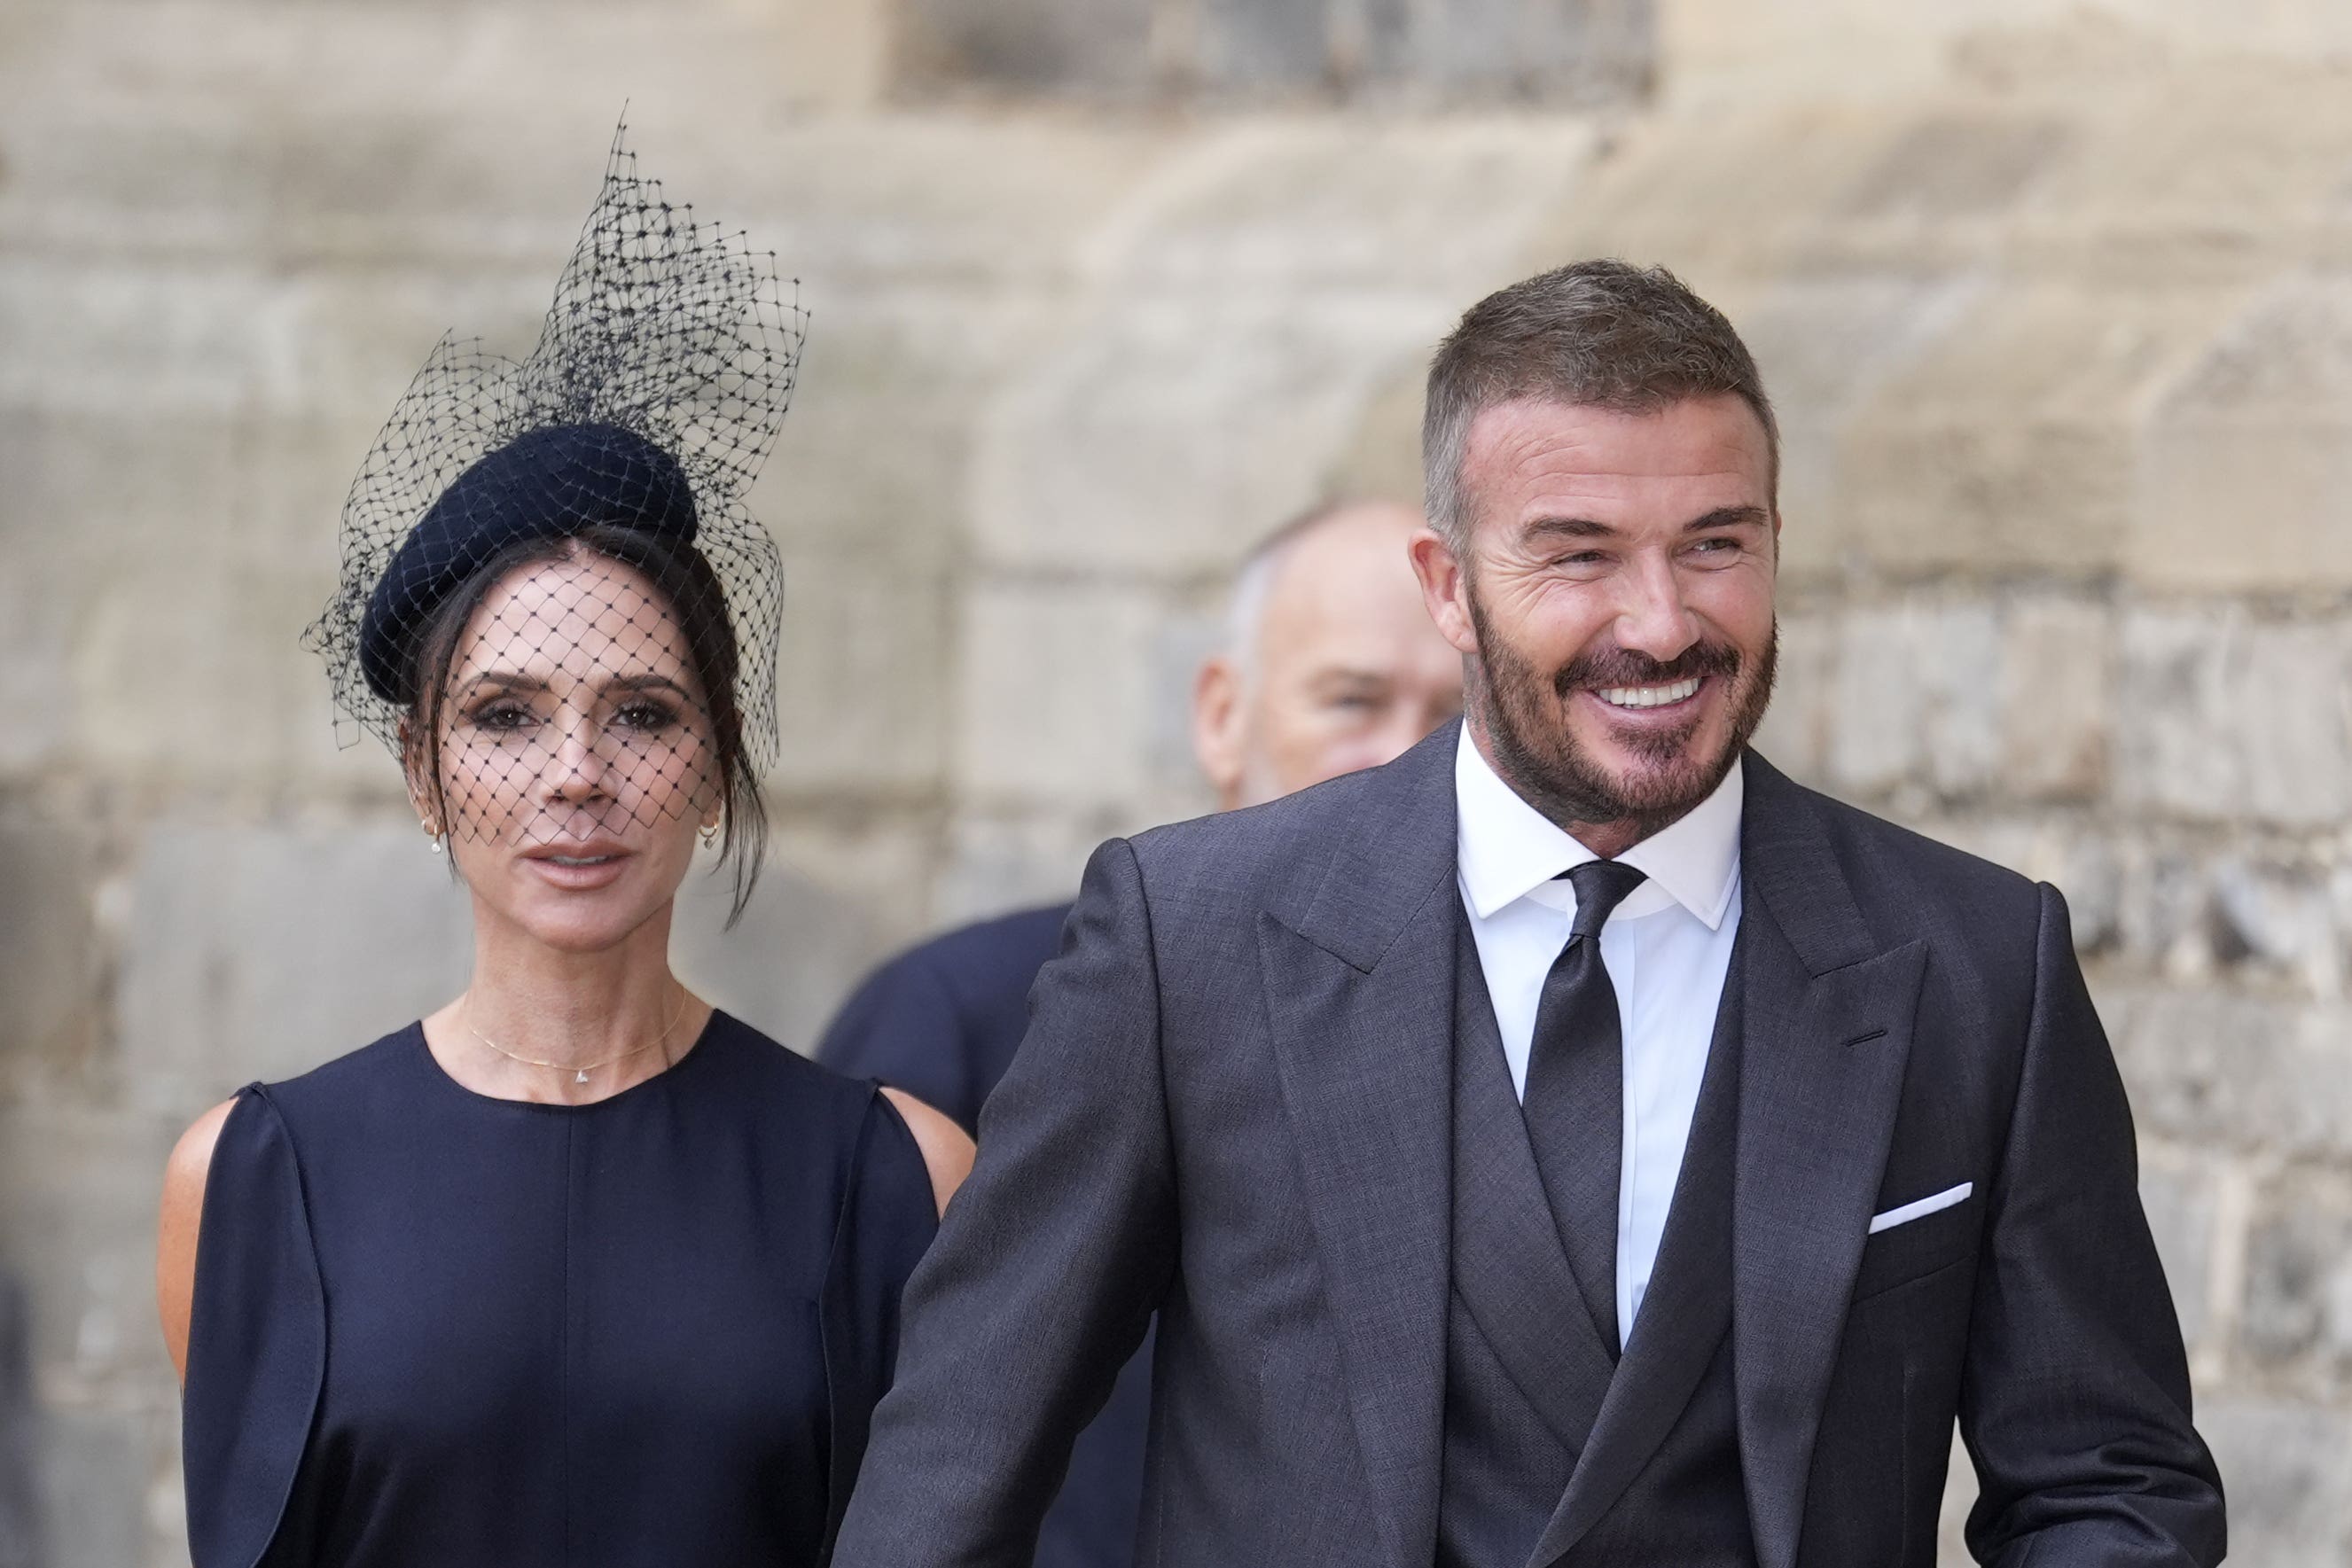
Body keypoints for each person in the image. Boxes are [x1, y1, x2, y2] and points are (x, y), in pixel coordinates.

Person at [832, 261, 2225, 1567]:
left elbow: (2109, 1481)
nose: (1663, 621)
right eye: (1579, 555)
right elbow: (958, 1456)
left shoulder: (1978, 963)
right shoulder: (1187, 936)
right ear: (1448, 588)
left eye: (1715, 543)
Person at [154, 129, 973, 1568]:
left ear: (715, 757)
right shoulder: (249, 1173)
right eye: (506, 714)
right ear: (422, 768)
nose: (577, 774)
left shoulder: (897, 1174)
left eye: (641, 711)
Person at [815, 497, 1461, 1568]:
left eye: (1449, 718)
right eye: (1352, 699)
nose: (1400, 759)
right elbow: (867, 1452)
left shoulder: (1543, 1027)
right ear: (1221, 714)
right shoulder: (964, 1017)